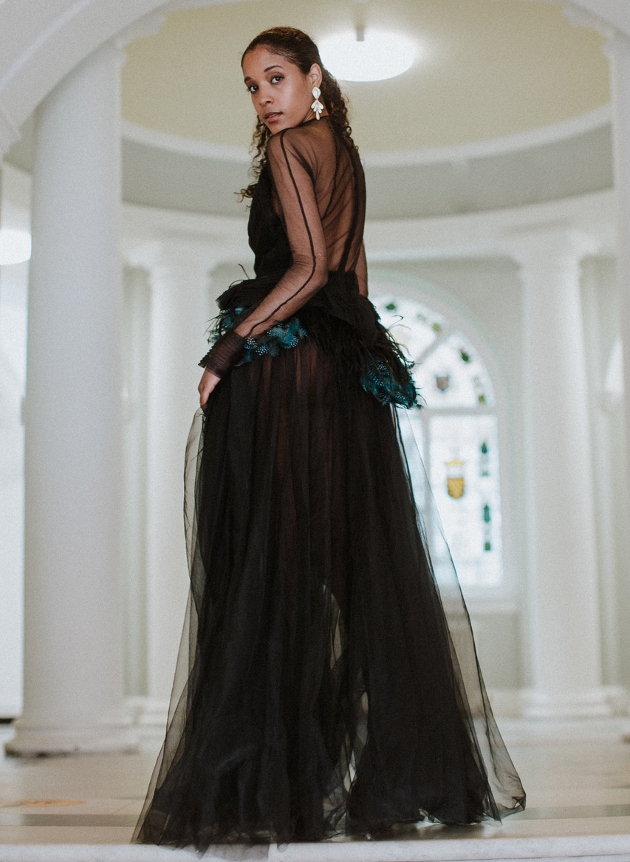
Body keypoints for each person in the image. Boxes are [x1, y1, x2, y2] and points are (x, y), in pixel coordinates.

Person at [132, 26, 525, 851]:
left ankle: (267, 785)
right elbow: (353, 271)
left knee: (273, 569)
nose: (265, 96)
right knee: (357, 573)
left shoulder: (288, 155)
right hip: (342, 372)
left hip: (290, 375)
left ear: (314, 75)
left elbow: (309, 269)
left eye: (277, 77)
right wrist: (369, 359)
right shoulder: (339, 149)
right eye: (252, 85)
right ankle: (417, 778)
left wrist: (227, 349)